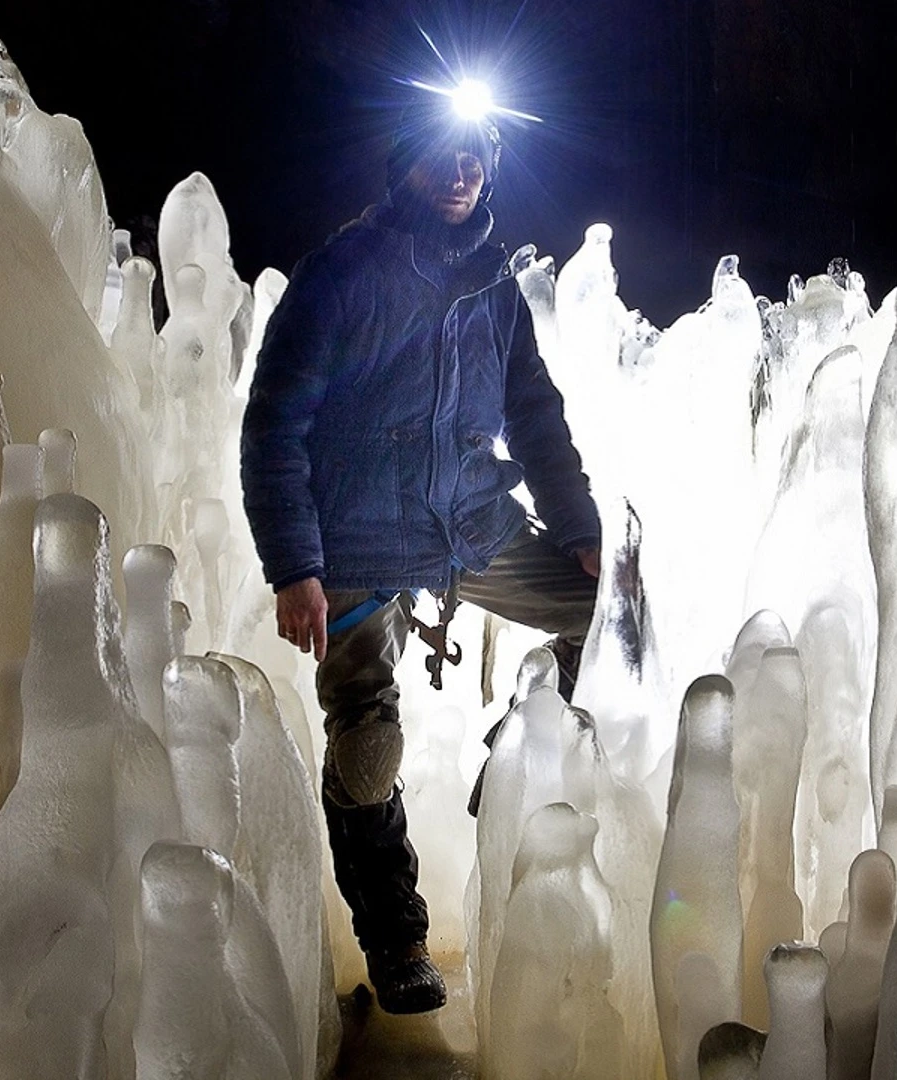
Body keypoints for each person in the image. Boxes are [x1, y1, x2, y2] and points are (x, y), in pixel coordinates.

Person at [240, 101, 601, 1015]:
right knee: (368, 744)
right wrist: (295, 566)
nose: (460, 171)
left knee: (603, 625)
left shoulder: (494, 289)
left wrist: (580, 528)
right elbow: (275, 423)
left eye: (475, 155)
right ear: (403, 162)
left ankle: (513, 757)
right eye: (440, 155)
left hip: (469, 526)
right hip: (359, 543)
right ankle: (397, 939)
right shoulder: (343, 275)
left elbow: (536, 416)